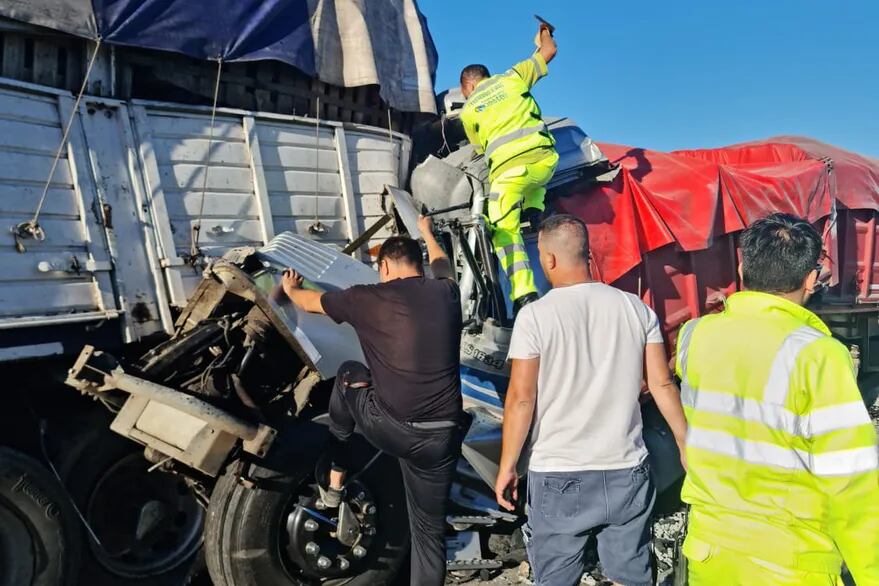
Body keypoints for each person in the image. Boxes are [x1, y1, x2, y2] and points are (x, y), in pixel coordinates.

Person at [676, 213, 879, 585]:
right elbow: (851, 483)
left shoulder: (694, 335)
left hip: (708, 554)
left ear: (741, 265)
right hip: (789, 562)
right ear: (811, 279)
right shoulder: (818, 355)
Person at [494, 214, 688, 586]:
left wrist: (507, 466)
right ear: (587, 253)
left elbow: (521, 398)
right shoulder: (635, 309)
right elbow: (662, 385)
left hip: (559, 474)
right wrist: (684, 441)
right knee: (631, 576)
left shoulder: (535, 317)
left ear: (548, 259)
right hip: (627, 469)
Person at [280, 216, 463, 586]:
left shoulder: (367, 298)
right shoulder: (447, 293)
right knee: (428, 536)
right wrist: (428, 233)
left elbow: (309, 303)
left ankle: (335, 473)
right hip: (443, 437)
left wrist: (288, 287)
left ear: (385, 266)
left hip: (394, 428)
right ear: (419, 264)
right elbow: (445, 267)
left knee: (349, 372)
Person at [459, 21, 560, 315]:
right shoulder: (514, 76)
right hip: (546, 161)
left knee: (502, 229)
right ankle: (534, 206)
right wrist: (544, 31)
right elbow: (549, 49)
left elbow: (481, 150)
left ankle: (523, 293)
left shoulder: (468, 110)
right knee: (533, 176)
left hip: (510, 173)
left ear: (469, 86)